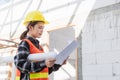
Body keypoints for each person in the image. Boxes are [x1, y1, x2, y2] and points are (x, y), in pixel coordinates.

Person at [14, 10, 63, 80]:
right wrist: (43, 63)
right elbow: (21, 65)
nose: (42, 30)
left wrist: (58, 63)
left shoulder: (39, 47)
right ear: (30, 27)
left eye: (43, 28)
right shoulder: (25, 43)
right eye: (40, 27)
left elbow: (43, 70)